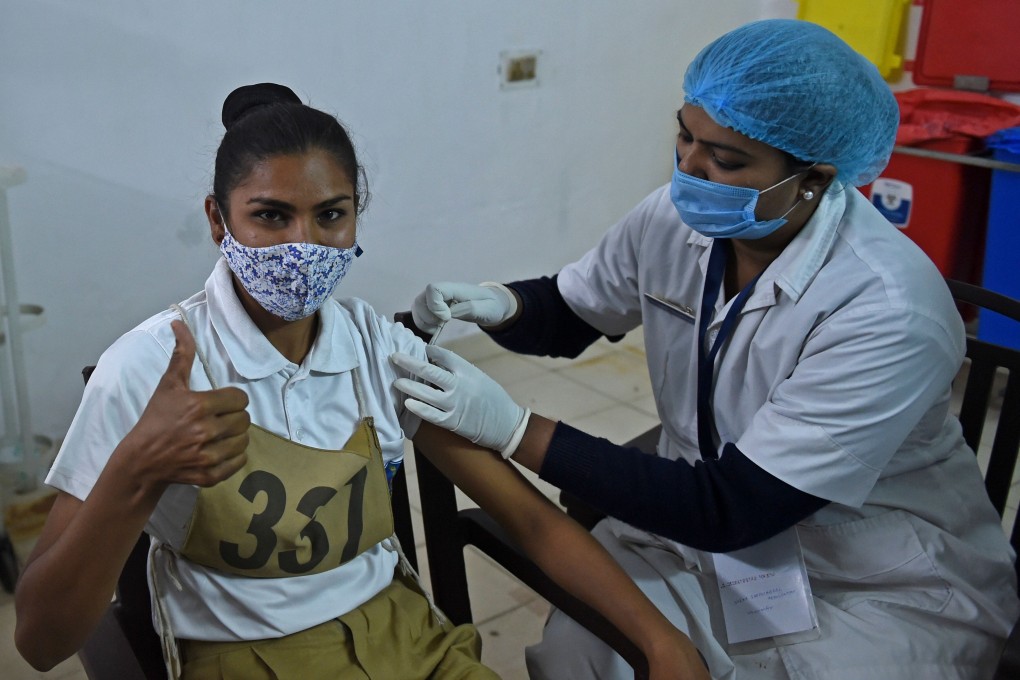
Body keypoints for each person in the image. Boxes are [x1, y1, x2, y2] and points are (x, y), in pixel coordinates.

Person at [391, 19, 1020, 680]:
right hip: (695, 535)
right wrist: (501, 304)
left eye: (726, 160)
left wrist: (514, 429)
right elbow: (572, 313)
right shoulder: (672, 218)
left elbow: (732, 506)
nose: (690, 168)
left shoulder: (886, 308)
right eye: (685, 136)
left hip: (869, 572)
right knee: (584, 656)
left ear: (814, 177)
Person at [13, 83, 710, 680]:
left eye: (331, 215)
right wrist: (134, 474)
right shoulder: (151, 369)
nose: (303, 246)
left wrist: (658, 638)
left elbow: (531, 519)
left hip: (406, 641)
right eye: (270, 216)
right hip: (249, 658)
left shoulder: (378, 349)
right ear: (216, 219)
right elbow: (41, 642)